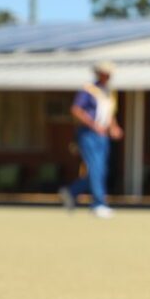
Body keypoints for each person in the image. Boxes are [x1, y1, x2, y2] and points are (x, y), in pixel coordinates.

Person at [59, 61, 122, 219]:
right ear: (99, 73)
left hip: (103, 136)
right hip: (89, 134)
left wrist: (114, 127)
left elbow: (109, 113)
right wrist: (94, 125)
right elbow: (76, 109)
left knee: (101, 170)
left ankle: (71, 191)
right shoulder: (88, 90)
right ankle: (98, 204)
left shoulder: (109, 91)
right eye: (105, 73)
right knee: (95, 168)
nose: (108, 76)